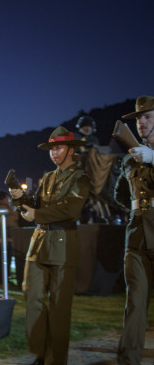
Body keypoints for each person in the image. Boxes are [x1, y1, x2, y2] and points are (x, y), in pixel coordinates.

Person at [9, 126, 89, 365]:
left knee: (59, 307)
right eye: (51, 149)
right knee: (31, 294)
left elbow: (70, 209)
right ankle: (39, 353)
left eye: (59, 148)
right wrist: (20, 199)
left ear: (70, 150)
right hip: (40, 242)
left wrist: (37, 214)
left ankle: (55, 359)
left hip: (63, 244)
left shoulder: (80, 178)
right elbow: (34, 207)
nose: (54, 153)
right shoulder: (48, 177)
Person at [114, 95, 154, 365]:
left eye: (148, 117)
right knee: (135, 302)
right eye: (139, 118)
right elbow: (117, 194)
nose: (141, 122)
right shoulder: (131, 159)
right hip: (138, 235)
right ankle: (129, 360)